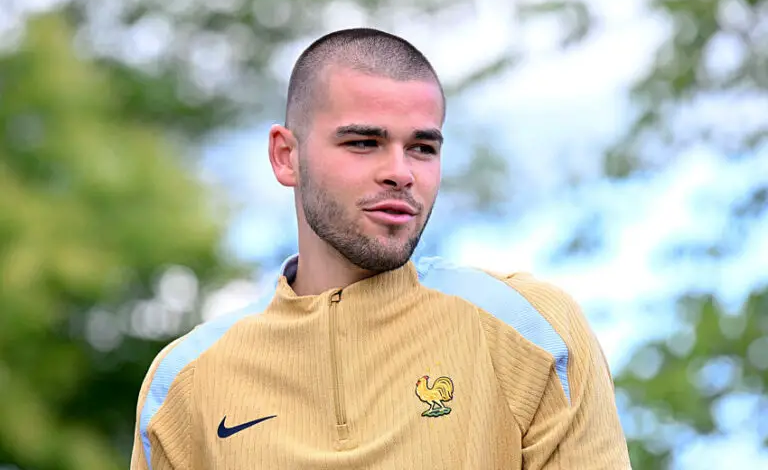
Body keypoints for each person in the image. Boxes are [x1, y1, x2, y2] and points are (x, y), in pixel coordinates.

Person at [130, 28, 631, 469]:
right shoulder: (185, 381)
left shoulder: (532, 330)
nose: (400, 172)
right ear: (286, 157)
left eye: (422, 148)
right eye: (364, 143)